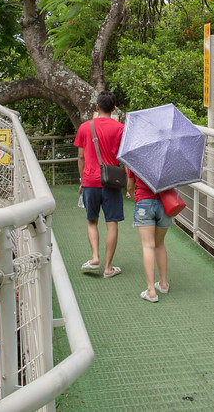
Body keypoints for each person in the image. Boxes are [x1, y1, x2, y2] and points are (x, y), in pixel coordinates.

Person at [74, 91, 125, 278]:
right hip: (111, 181)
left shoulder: (85, 127)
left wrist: (82, 180)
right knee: (112, 224)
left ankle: (94, 257)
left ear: (97, 107)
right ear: (113, 108)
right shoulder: (120, 128)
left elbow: (80, 156)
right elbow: (122, 156)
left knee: (92, 221)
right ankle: (108, 268)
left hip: (90, 180)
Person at [128, 171, 172, 303]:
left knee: (148, 246)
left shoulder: (136, 155)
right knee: (160, 244)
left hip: (144, 201)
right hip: (165, 203)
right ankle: (163, 284)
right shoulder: (167, 157)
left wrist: (130, 192)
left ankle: (151, 290)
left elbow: (130, 185)